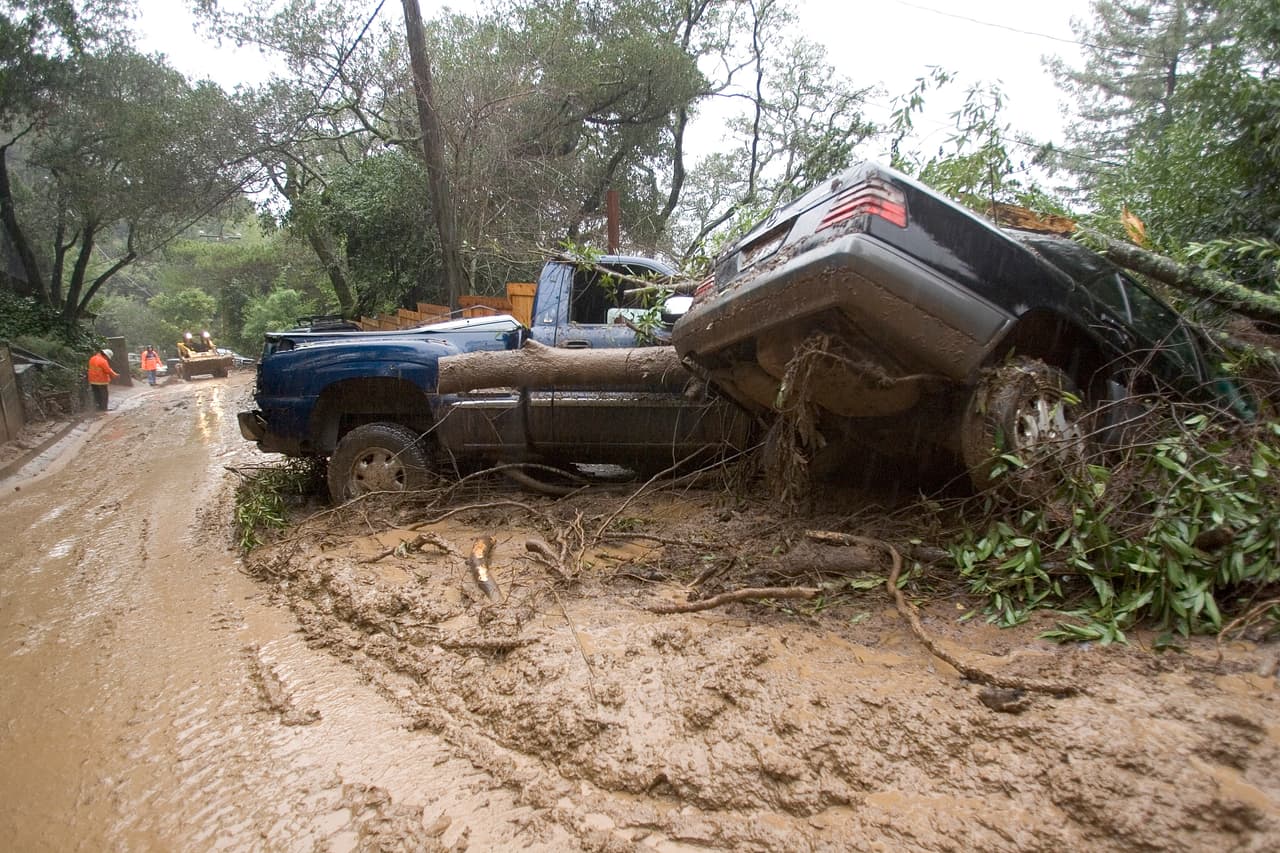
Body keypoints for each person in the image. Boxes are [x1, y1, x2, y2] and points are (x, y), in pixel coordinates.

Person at [88, 347, 118, 412]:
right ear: (105, 355)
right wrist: (114, 374)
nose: (107, 358)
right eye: (107, 357)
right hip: (101, 380)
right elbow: (108, 370)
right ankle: (104, 408)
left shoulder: (92, 358)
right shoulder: (103, 361)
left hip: (92, 380)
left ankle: (98, 408)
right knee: (104, 395)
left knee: (96, 394)